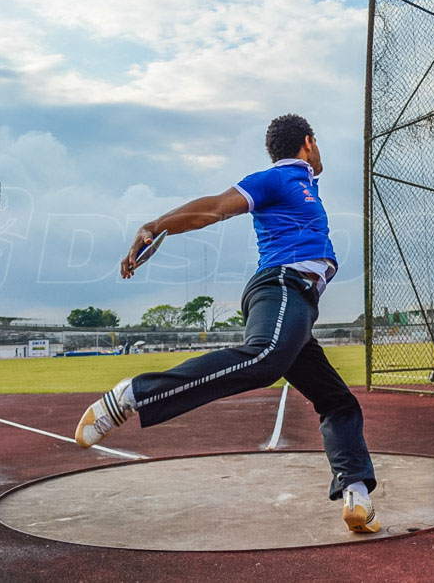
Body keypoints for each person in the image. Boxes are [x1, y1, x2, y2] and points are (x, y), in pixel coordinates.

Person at [75, 114, 380, 534]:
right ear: (308, 143)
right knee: (267, 358)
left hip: (299, 307)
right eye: (317, 144)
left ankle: (357, 495)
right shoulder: (275, 178)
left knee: (338, 401)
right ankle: (132, 395)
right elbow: (215, 209)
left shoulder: (306, 181)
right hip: (279, 288)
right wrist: (154, 225)